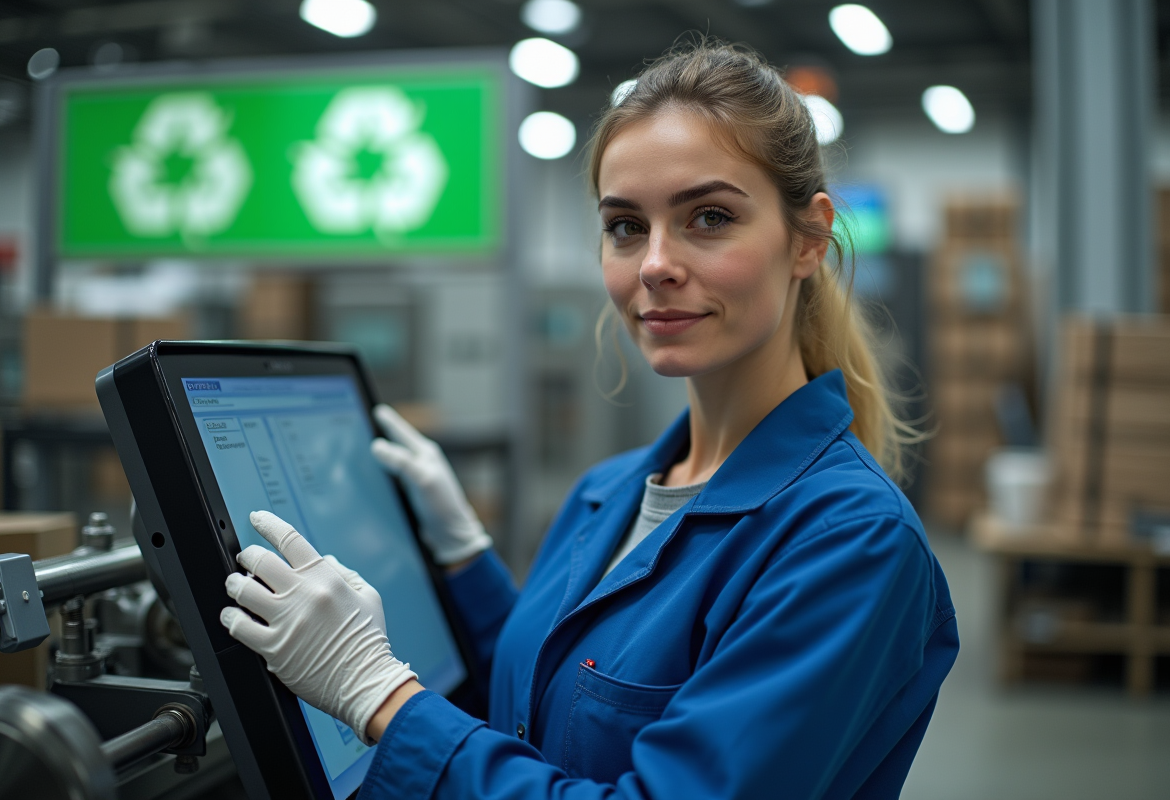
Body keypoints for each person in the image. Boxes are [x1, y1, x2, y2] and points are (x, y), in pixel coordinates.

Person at [219, 41, 958, 799]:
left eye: (709, 217)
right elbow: (549, 712)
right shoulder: (608, 492)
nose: (654, 264)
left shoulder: (847, 542)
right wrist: (467, 561)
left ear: (807, 239)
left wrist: (378, 695)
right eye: (626, 226)